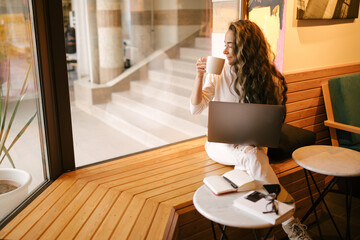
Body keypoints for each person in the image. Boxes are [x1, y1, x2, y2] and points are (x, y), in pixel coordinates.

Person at [190, 19, 312, 240]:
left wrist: (253, 142)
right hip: (220, 145)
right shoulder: (218, 72)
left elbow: (269, 122)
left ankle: (267, 226)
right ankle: (289, 220)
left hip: (254, 147)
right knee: (253, 158)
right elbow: (196, 108)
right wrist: (199, 77)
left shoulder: (268, 78)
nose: (224, 50)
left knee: (252, 170)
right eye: (224, 43)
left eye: (230, 45)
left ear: (245, 47)